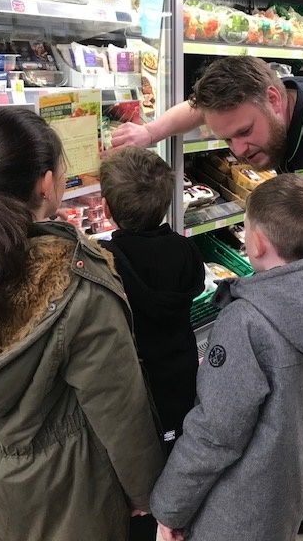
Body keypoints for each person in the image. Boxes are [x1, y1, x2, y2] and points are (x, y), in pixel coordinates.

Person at [111, 56, 303, 541]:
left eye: (243, 133)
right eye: (227, 137)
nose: (237, 150)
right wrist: (149, 133)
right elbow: (202, 107)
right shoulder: (272, 93)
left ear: (274, 100)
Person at [0, 107, 164, 541]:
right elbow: (121, 413)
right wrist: (148, 496)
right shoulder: (76, 286)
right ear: (46, 184)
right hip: (67, 485)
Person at [150, 173, 303, 541]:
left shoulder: (245, 322)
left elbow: (215, 433)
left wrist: (169, 508)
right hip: (289, 492)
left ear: (256, 243)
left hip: (233, 513)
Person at [99, 146, 205, 541]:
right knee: (177, 444)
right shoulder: (186, 250)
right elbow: (196, 283)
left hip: (135, 379)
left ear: (108, 207)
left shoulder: (105, 260)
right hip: (179, 369)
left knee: (144, 455)